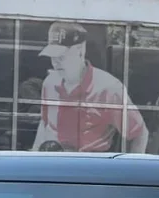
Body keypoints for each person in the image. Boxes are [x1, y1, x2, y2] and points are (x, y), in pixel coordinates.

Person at [32, 21, 149, 154]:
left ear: (80, 50)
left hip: (92, 165)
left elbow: (139, 134)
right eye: (52, 57)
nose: (55, 63)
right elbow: (45, 125)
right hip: (52, 162)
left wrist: (130, 171)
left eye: (61, 56)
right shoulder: (49, 83)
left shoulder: (109, 88)